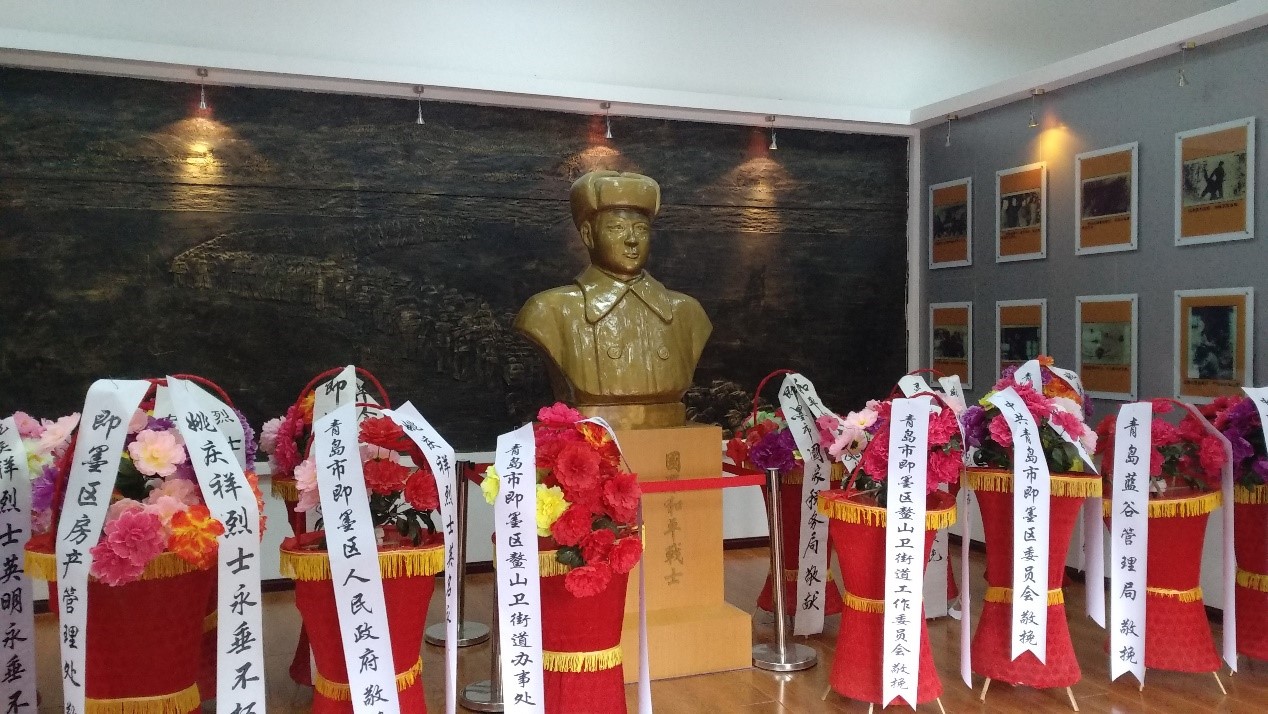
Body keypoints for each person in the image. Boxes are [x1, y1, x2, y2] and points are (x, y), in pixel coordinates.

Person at [514, 171, 712, 429]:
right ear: (588, 235)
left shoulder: (688, 312)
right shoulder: (548, 311)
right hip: (589, 440)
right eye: (616, 228)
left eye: (641, 229)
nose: (631, 240)